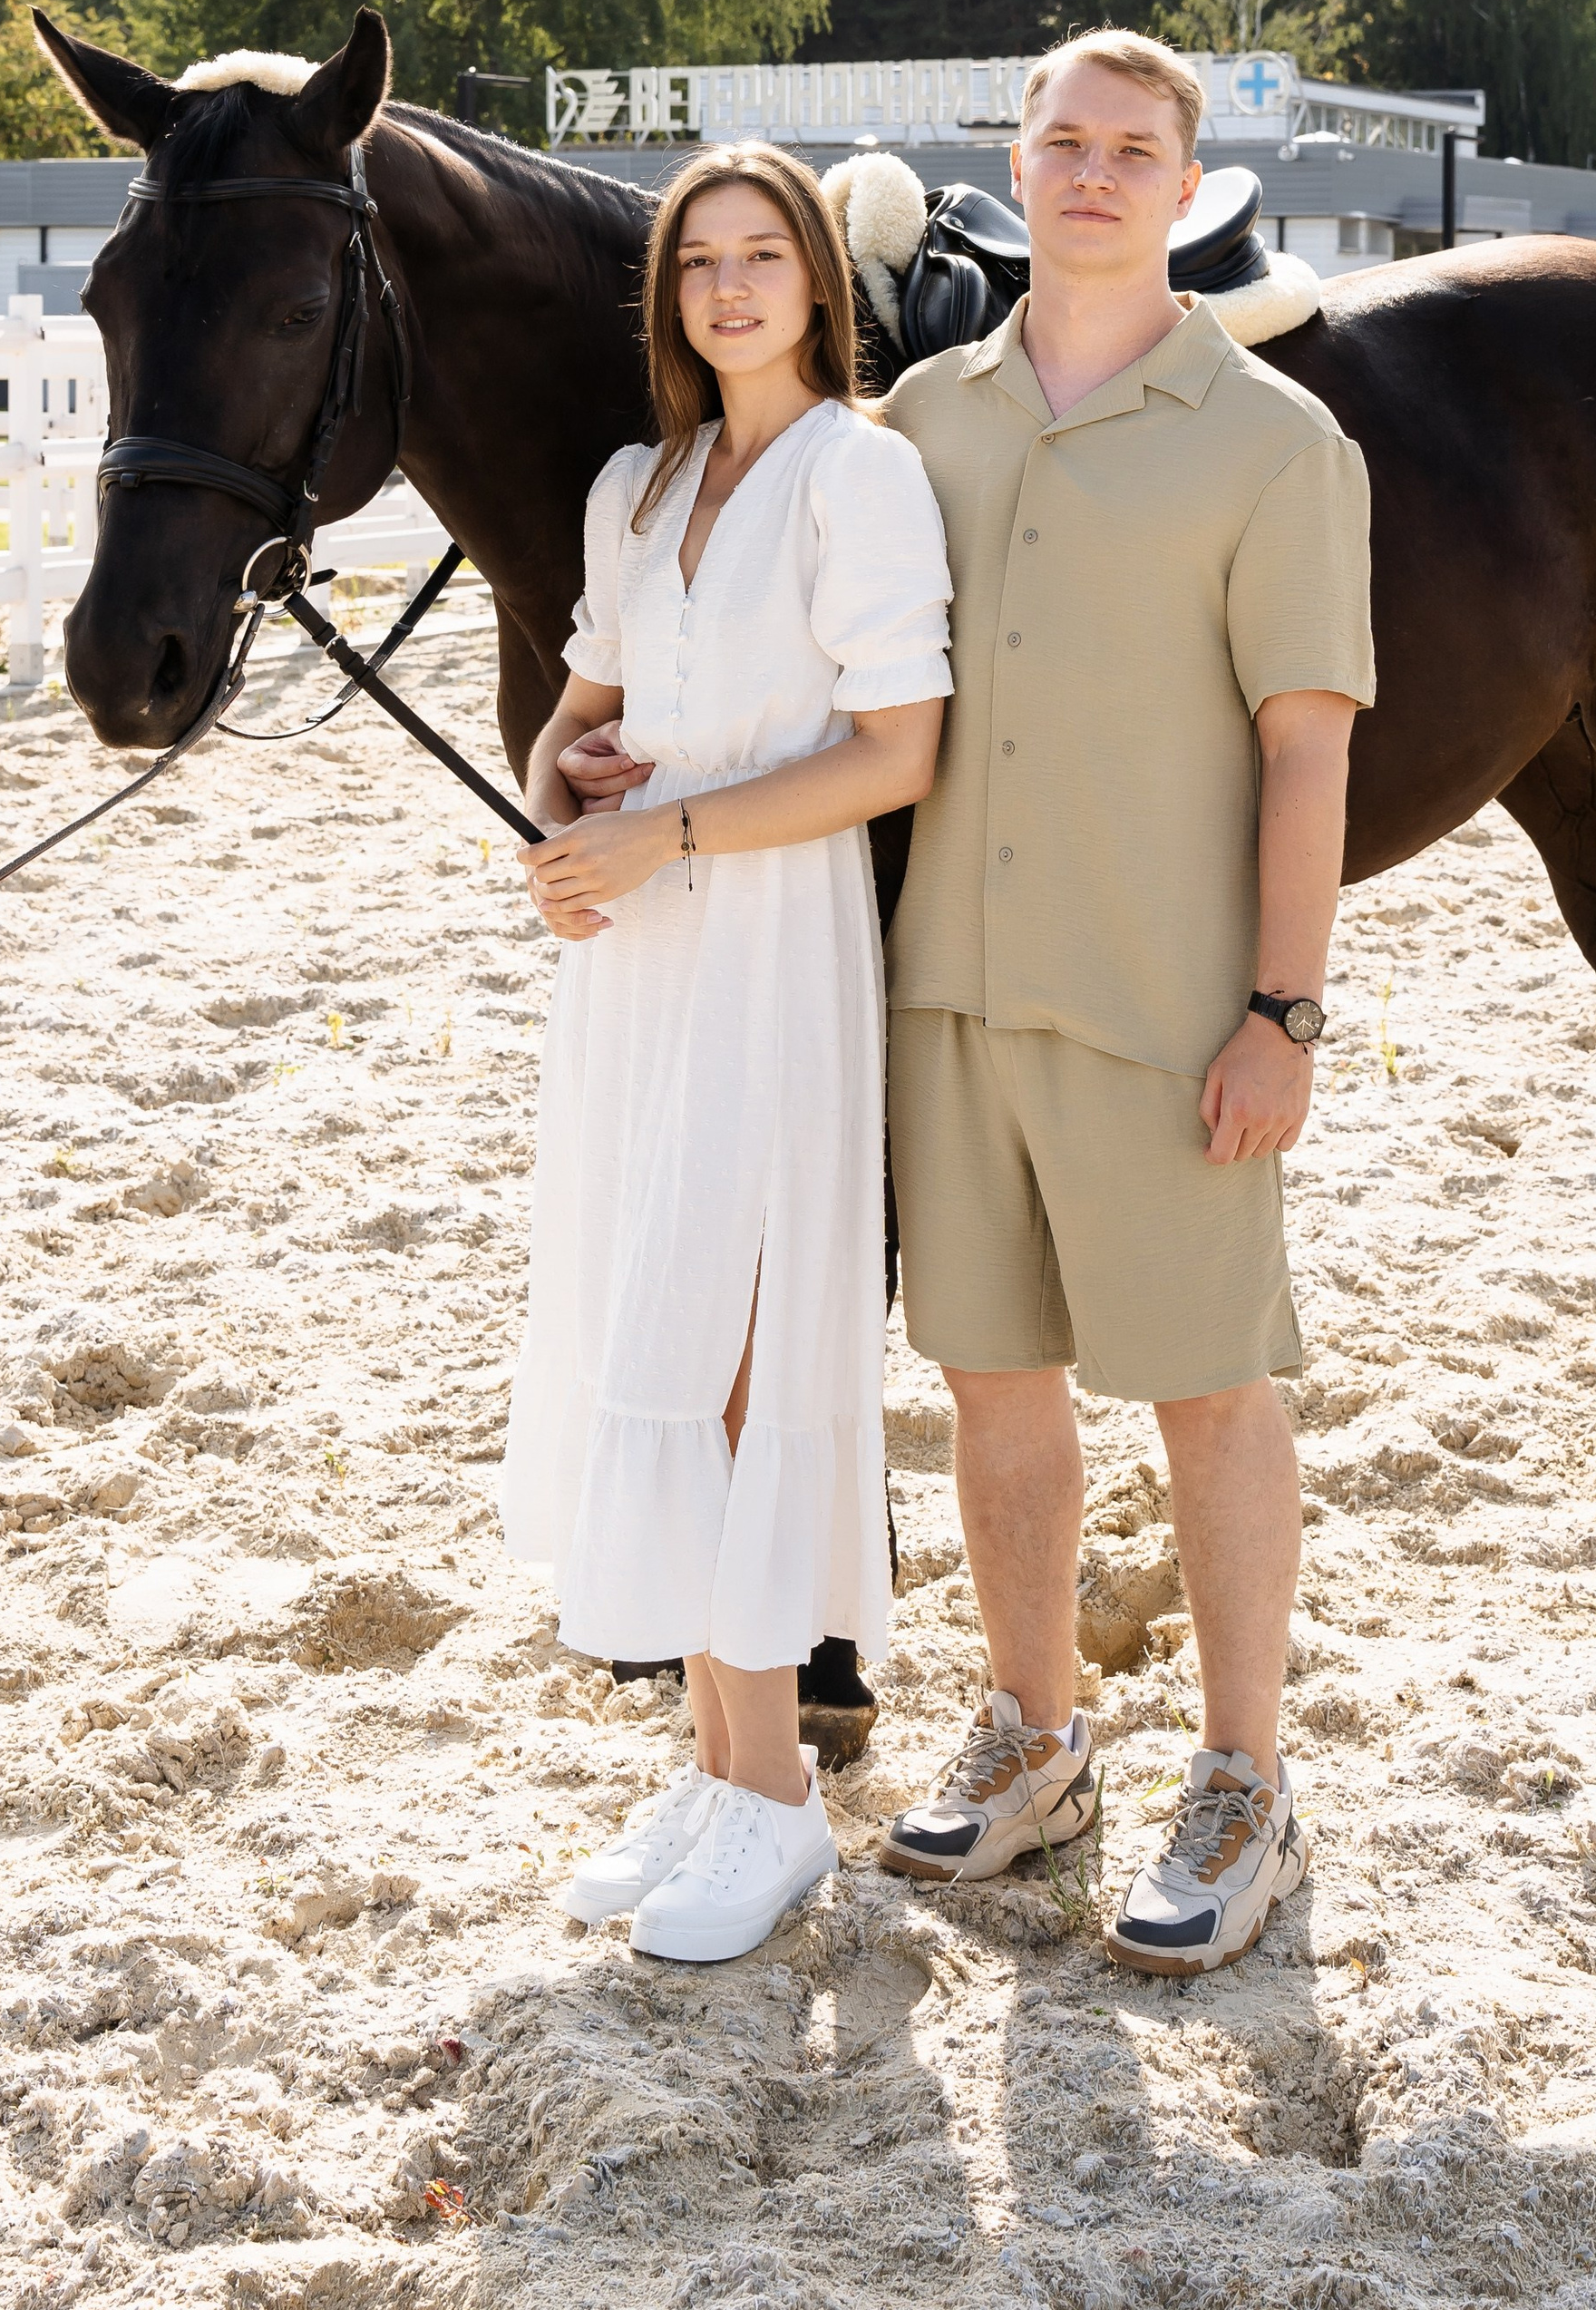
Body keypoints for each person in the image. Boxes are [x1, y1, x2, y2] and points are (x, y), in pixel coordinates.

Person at [873, 29, 1372, 1976]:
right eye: (1062, 142)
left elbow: (1308, 752)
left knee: (1206, 1391)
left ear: (1185, 184)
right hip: (950, 995)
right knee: (989, 1386)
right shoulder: (918, 417)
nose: (1091, 173)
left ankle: (1245, 1779)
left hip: (1168, 1015)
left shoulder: (1275, 441)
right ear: (1018, 165)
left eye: (1130, 149)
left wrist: (1281, 1015)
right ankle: (1037, 1736)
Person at [498, 142, 952, 1964]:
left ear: (817, 284)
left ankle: (773, 1795)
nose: (730, 287)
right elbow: (580, 716)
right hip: (636, 953)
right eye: (699, 262)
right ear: (670, 293)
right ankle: (713, 1769)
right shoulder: (639, 483)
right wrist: (562, 813)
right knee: (649, 1329)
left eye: (763, 255)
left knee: (744, 1348)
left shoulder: (860, 473)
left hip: (767, 935)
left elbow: (896, 752)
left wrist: (664, 830)